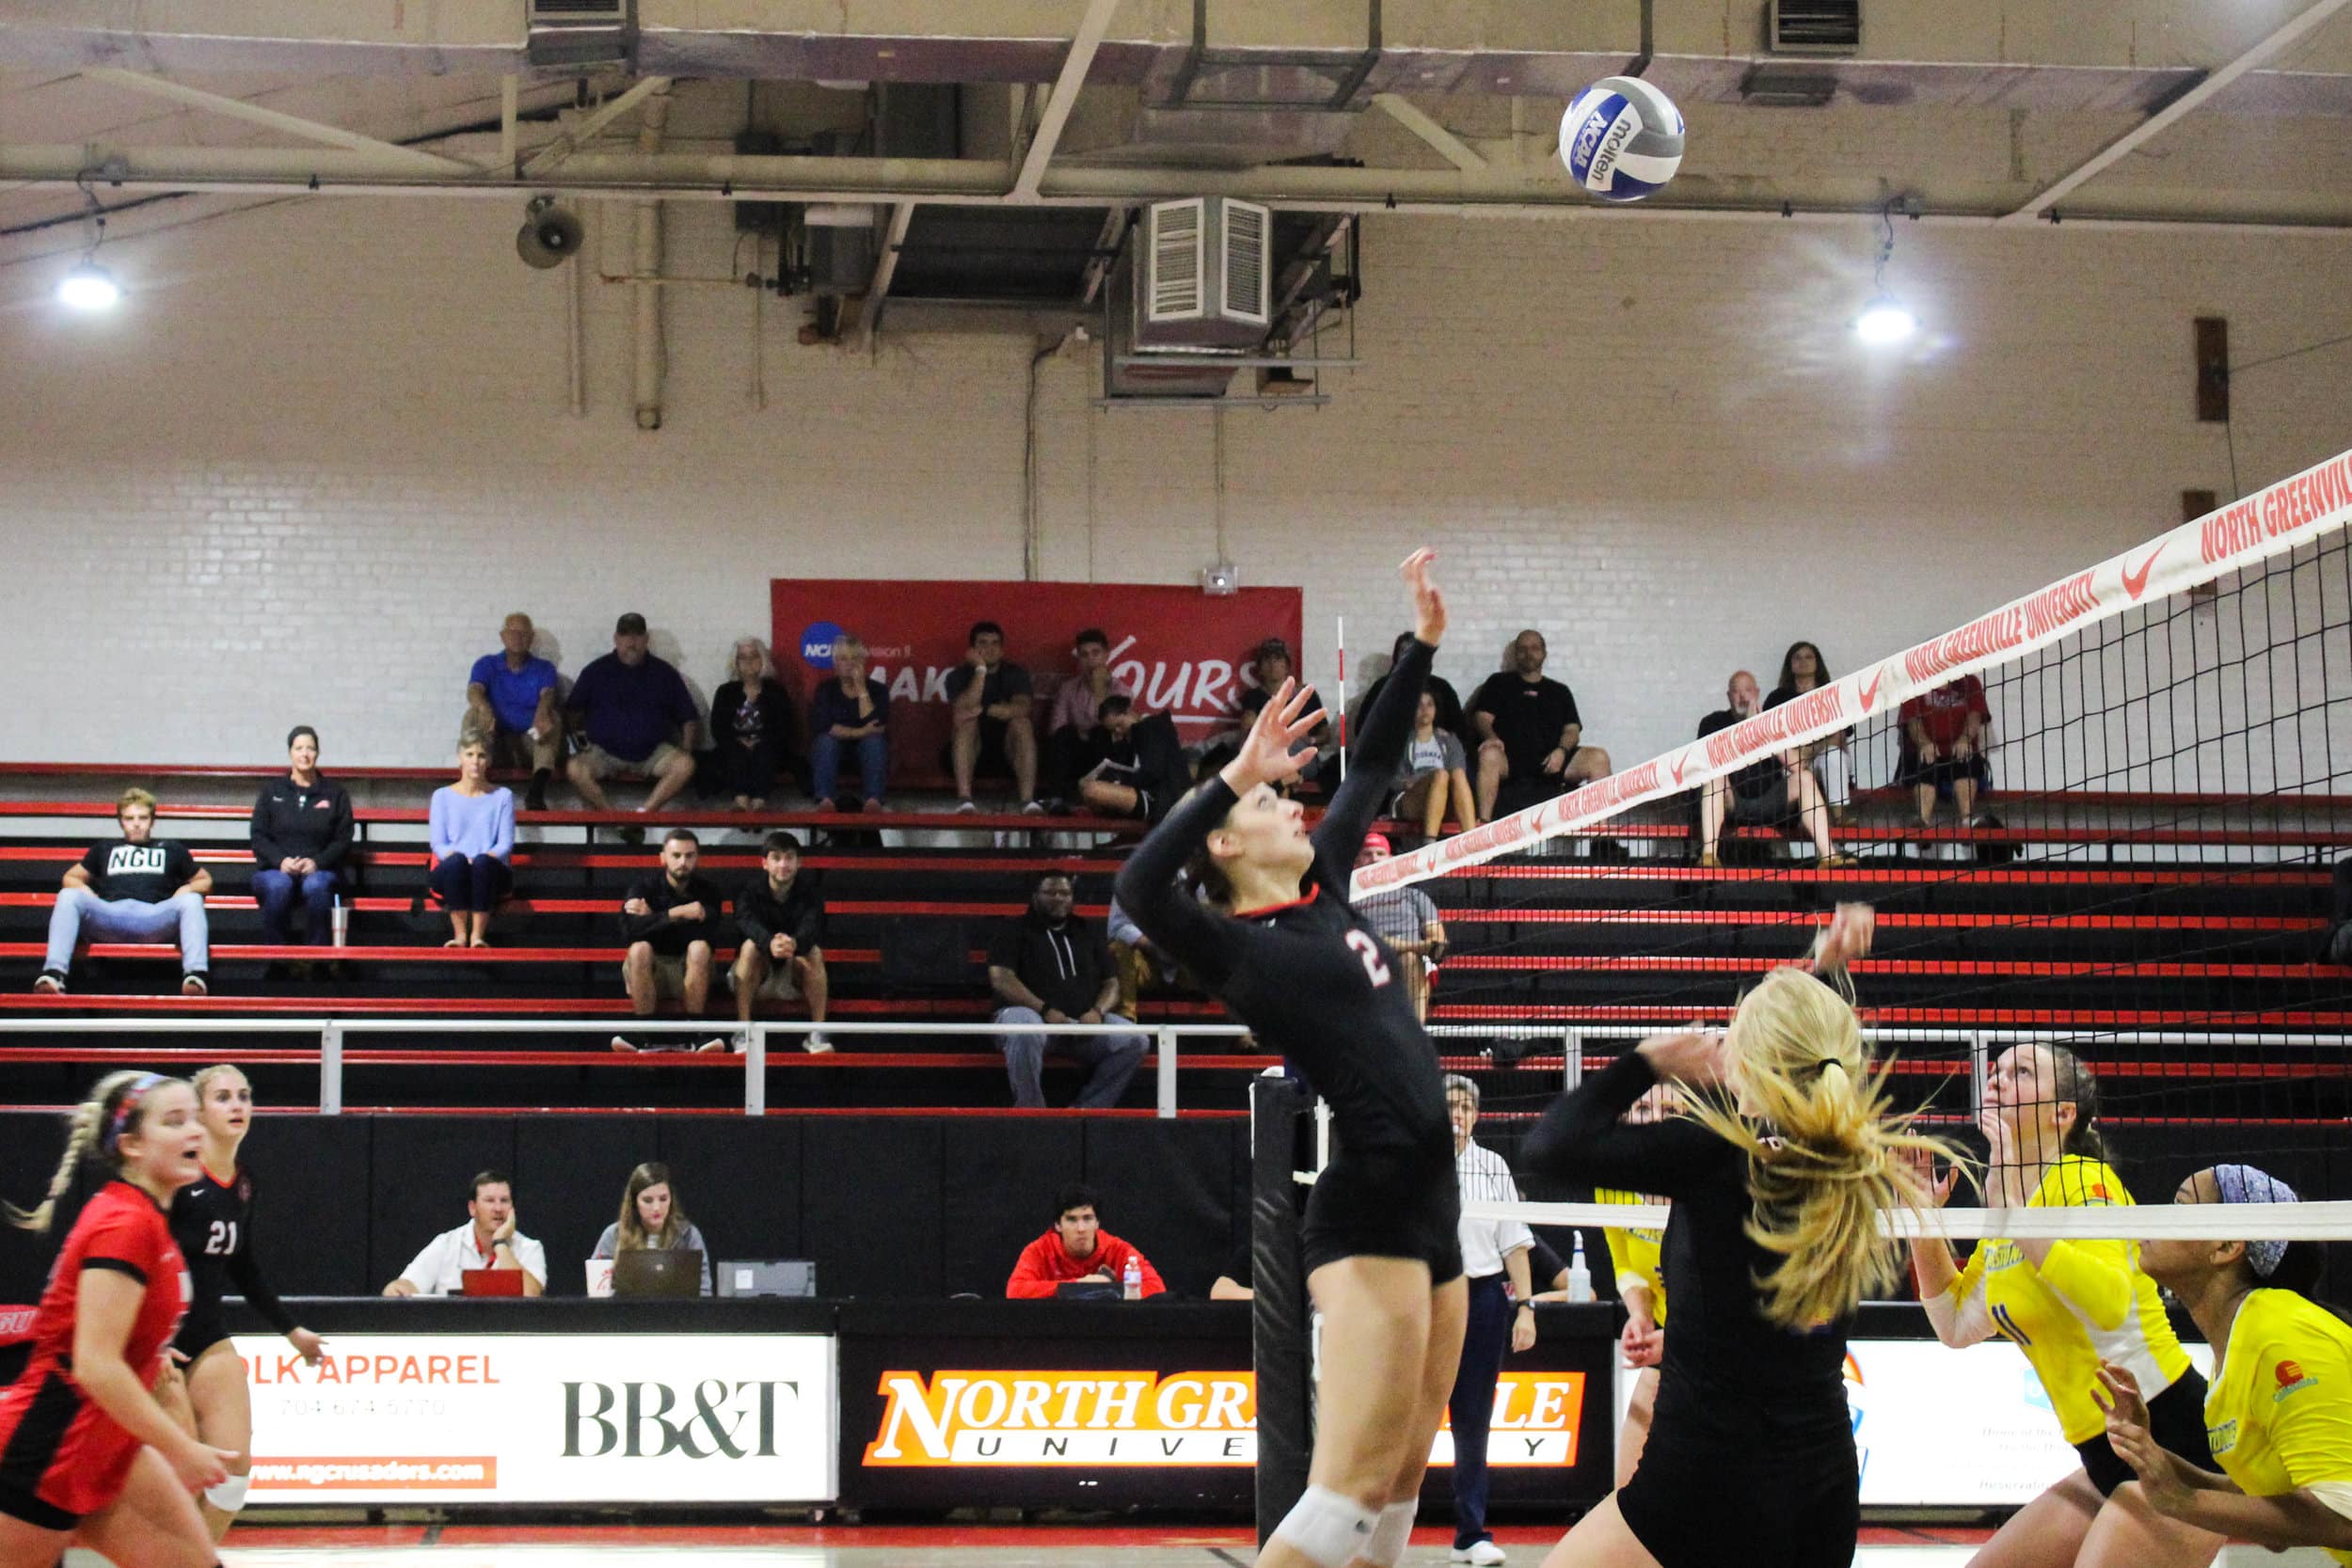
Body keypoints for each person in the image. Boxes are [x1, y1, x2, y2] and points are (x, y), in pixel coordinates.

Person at [1115, 549, 1467, 1568]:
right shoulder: (1244, 949)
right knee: (1346, 1492)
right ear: (1224, 846)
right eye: (1270, 806)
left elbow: (1369, 767)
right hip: (1366, 1214)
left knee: (1400, 1487)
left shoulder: (1324, 891)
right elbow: (1142, 890)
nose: (1293, 805)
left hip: (1434, 1201)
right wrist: (1230, 772)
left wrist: (1422, 647)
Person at [1518, 907, 1950, 1568]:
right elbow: (1815, 1053)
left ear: (1747, 1058)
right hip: (1822, 1489)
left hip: (1708, 1479)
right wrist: (1821, 972)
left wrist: (1648, 1062)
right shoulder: (1850, 1154)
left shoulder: (1712, 1154)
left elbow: (1549, 1145)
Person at [1907, 1044, 2223, 1568]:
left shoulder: (2084, 1180)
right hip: (2104, 1454)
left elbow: (2107, 1302)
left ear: (2063, 1113)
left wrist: (2014, 1210)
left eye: (2022, 1072)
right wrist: (1920, 1220)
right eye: (1997, 1071)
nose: (1998, 1079)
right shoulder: (2006, 1205)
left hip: (2174, 1440)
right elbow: (1956, 1324)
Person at [0, 1072, 230, 1568]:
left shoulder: (145, 1218)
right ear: (131, 1145)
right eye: (174, 1121)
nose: (194, 1130)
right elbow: (96, 1365)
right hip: (50, 1447)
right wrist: (183, 1448)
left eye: (194, 1117)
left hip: (107, 1441)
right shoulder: (124, 1224)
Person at [2104, 1164, 2352, 1560]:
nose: (2159, 1217)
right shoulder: (2234, 1349)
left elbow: (2344, 1520)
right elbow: (2270, 1517)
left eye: (2180, 1207)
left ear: (2226, 1246)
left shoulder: (2282, 1334)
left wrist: (2182, 1501)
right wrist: (2152, 1456)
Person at [159, 1065, 325, 1542]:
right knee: (180, 1479)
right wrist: (149, 1340)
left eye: (245, 1096)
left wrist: (291, 1330)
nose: (237, 1106)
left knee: (230, 1479)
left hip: (207, 1334)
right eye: (224, 1097)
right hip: (158, 1341)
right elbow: (141, 1259)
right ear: (199, 1111)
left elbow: (243, 1264)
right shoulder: (176, 1176)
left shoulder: (244, 1182)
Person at [1444, 1074, 1536, 1567]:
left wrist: (1526, 1306)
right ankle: (1379, 1525)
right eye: (1448, 1107)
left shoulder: (1493, 1166)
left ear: (1476, 1115)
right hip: (1430, 1296)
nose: (1456, 1115)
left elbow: (1515, 1242)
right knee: (1408, 1416)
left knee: (1473, 1420)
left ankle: (1470, 1536)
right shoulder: (1419, 1166)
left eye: (1463, 1107)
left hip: (1482, 1297)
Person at [988, 871, 1148, 1109]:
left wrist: (1097, 1012)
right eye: (1050, 893)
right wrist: (1045, 1010)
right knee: (1023, 1026)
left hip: (1080, 1024)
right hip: (1034, 1020)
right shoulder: (1014, 929)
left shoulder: (1087, 932)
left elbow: (1112, 983)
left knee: (1136, 1040)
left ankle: (1086, 1111)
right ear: (1035, 896)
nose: (1058, 898)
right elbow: (1001, 978)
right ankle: (1031, 1110)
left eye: (1065, 893)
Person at [35, 787, 210, 997]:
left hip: (153, 918)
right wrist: (86, 891)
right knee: (68, 895)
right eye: (129, 818)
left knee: (192, 900)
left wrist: (187, 888)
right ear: (120, 821)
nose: (136, 824)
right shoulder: (104, 848)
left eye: (143, 818)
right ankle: (54, 974)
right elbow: (70, 878)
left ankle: (195, 975)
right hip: (110, 916)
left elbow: (205, 880)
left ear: (153, 820)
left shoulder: (172, 849)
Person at [1598, 1085, 1677, 1490]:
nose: (1655, 1116)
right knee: (1626, 1490)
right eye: (1643, 1107)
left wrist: (1676, 1340)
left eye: (1669, 1107)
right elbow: (1623, 1261)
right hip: (1666, 1344)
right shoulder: (1613, 1184)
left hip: (1717, 1352)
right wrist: (1639, 1313)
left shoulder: (1708, 1184)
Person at [1694, 671, 1851, 870]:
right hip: (1733, 800)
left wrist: (1761, 729)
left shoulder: (1772, 723)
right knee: (1714, 777)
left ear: (1757, 693)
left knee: (1804, 778)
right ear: (1728, 696)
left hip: (1771, 800)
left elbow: (1796, 765)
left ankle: (1829, 855)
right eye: (1736, 691)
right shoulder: (1713, 722)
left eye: (1748, 690)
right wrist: (1746, 732)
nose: (1742, 696)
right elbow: (1707, 763)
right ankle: (1709, 855)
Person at [564, 612, 701, 819]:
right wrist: (582, 743)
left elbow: (689, 718)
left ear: (646, 639)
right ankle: (615, 819)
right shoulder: (596, 671)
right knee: (575, 768)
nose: (631, 642)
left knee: (685, 765)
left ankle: (642, 816)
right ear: (616, 639)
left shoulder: (664, 673)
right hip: (603, 753)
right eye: (625, 635)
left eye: (637, 635)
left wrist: (687, 749)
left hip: (652, 753)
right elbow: (572, 711)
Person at [1467, 630, 1610, 823]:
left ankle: (1603, 839)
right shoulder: (1498, 683)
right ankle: (1482, 825)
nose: (1529, 653)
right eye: (1522, 649)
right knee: (1488, 754)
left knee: (1598, 758)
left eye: (1534, 648)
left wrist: (1561, 751)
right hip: (1509, 761)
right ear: (1515, 654)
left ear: (1544, 653)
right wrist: (1491, 738)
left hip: (1551, 763)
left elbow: (1572, 730)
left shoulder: (1559, 691)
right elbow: (1481, 718)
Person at [247, 725, 353, 959]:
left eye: (311, 749)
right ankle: (276, 957)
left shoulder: (335, 794)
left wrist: (317, 862)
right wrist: (281, 861)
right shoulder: (271, 792)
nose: (305, 754)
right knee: (278, 886)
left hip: (322, 870)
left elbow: (343, 839)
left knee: (316, 886)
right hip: (276, 870)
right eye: (299, 748)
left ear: (318, 753)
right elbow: (258, 835)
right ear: (290, 753)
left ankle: (316, 959)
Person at [729, 831, 832, 1053]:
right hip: (758, 973)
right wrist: (769, 943)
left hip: (793, 973)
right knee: (748, 947)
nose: (783, 864)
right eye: (776, 858)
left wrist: (794, 944)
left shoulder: (811, 893)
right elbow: (745, 921)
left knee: (812, 952)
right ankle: (742, 1031)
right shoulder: (748, 891)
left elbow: (813, 926)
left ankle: (817, 1033)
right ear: (765, 863)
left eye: (789, 858)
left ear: (799, 863)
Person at [616, 829, 723, 1030]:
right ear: (663, 858)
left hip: (689, 969)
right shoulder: (642, 888)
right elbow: (629, 931)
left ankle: (695, 1032)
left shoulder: (709, 891)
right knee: (639, 949)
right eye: (676, 855)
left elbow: (707, 934)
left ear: (697, 858)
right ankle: (644, 1034)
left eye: (689, 855)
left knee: (699, 948)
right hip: (651, 970)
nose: (683, 862)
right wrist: (677, 913)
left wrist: (653, 919)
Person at [382, 1170, 545, 1296]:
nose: (498, 1209)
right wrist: (397, 1288)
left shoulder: (530, 1248)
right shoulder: (446, 1244)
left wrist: (500, 1244)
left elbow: (531, 1296)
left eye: (504, 1201)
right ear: (472, 1208)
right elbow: (409, 1284)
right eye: (489, 1200)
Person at [465, 611, 563, 811]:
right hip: (495, 742)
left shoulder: (543, 668)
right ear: (503, 636)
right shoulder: (487, 664)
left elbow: (548, 694)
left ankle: (536, 793)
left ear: (532, 638)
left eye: (524, 633)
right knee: (471, 715)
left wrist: (542, 711)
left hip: (530, 742)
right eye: (513, 632)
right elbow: (474, 690)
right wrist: (484, 708)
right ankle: (473, 782)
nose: (518, 637)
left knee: (553, 717)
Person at [428, 734, 516, 949]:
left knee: (482, 865)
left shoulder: (503, 796)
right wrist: (464, 860)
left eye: (481, 755)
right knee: (457, 862)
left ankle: (477, 936)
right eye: (470, 754)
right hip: (452, 868)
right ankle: (459, 936)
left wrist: (478, 861)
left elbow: (505, 844)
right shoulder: (441, 796)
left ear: (489, 761)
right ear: (460, 758)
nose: (475, 761)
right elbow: (438, 844)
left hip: (490, 869)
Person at [1005, 1184, 1166, 1298]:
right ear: (1058, 1225)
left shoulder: (1118, 1249)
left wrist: (1107, 1290)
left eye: (1087, 1218)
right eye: (1072, 1220)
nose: (1081, 1228)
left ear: (1097, 1223)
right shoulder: (1039, 1251)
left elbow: (1156, 1288)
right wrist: (1080, 1285)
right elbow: (1015, 1291)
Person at [1349, 834, 1446, 1024]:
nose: (1375, 859)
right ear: (1357, 862)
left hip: (1407, 962)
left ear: (1391, 860)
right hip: (1363, 959)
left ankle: (1414, 1035)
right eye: (1368, 854)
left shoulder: (1414, 896)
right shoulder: (1347, 898)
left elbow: (1438, 942)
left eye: (1380, 853)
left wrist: (1398, 946)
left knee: (1410, 958)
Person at [945, 621, 1040, 813]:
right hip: (968, 754)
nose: (990, 648)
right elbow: (965, 710)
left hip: (1008, 755)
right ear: (972, 649)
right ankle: (965, 800)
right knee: (967, 724)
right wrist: (980, 669)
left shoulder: (1015, 673)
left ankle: (1027, 802)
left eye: (995, 643)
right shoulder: (958, 675)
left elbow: (1022, 709)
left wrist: (984, 709)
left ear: (1002, 649)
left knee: (1022, 724)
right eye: (983, 643)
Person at [1765, 641, 1855, 824]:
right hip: (1791, 762)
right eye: (1797, 657)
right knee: (1790, 770)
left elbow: (1839, 735)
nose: (1803, 661)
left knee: (1833, 756)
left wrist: (1809, 751)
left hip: (1825, 758)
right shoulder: (1777, 698)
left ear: (1817, 663)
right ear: (1790, 665)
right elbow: (1769, 737)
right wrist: (1795, 757)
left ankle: (1840, 816)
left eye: (1809, 657)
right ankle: (1790, 818)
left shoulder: (1831, 693)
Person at [592, 1162, 713, 1296]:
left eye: (663, 1199)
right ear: (634, 1202)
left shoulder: (688, 1235)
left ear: (671, 1199)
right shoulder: (613, 1235)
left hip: (677, 1314)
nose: (656, 1208)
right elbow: (598, 1290)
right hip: (626, 1314)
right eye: (648, 1200)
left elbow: (704, 1292)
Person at [1899, 673, 1992, 834]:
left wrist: (1965, 739)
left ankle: (1967, 819)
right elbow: (1913, 722)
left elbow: (1975, 716)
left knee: (1966, 759)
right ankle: (1922, 820)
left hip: (1958, 752)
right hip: (1928, 752)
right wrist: (1925, 743)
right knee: (1924, 761)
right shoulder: (1915, 681)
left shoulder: (1969, 682)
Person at [709, 637, 794, 813]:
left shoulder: (775, 690)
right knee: (735, 750)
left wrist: (757, 741)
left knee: (765, 749)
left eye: (754, 656)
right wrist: (740, 741)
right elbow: (718, 728)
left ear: (763, 660)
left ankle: (759, 803)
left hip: (768, 747)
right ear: (736, 662)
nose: (748, 662)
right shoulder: (726, 692)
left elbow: (785, 727)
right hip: (733, 748)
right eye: (743, 657)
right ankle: (740, 802)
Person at [1045, 627, 1133, 799]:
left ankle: (1104, 794)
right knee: (1065, 734)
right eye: (1084, 655)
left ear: (1106, 655)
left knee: (1101, 733)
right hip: (1077, 755)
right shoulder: (1068, 689)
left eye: (1095, 653)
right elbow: (1056, 729)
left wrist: (1099, 686)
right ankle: (1055, 799)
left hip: (1107, 755)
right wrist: (1082, 733)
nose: (1090, 659)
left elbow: (1114, 728)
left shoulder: (1122, 691)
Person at [1074, 696, 1189, 823]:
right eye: (1113, 730)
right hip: (1141, 792)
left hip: (1161, 797)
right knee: (1084, 785)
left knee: (1093, 790)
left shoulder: (1152, 727)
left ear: (1128, 712)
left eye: (1119, 725)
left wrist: (1121, 782)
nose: (1118, 731)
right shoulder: (1129, 739)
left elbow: (1153, 771)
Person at [809, 632, 890, 814]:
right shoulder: (826, 690)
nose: (849, 664)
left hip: (866, 754)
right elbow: (826, 728)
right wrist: (862, 732)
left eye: (855, 658)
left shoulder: (878, 690)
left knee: (874, 742)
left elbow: (876, 726)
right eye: (843, 659)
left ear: (863, 661)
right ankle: (825, 800)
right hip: (834, 753)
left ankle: (873, 800)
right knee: (825, 742)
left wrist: (861, 689)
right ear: (835, 663)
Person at [1236, 637, 1329, 790]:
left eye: (1278, 659)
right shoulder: (1254, 696)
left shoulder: (1306, 694)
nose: (1273, 665)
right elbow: (1248, 730)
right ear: (1259, 668)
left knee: (1292, 742)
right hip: (1268, 755)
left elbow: (1326, 735)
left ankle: (1286, 777)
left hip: (1300, 755)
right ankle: (1285, 778)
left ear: (1286, 665)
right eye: (1267, 660)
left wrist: (1310, 739)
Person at [1358, 629, 1467, 753]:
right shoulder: (1382, 687)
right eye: (1405, 652)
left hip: (1435, 754)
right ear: (1397, 658)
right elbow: (1362, 728)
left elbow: (1460, 731)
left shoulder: (1442, 688)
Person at [1395, 690, 1477, 841]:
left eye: (1429, 704)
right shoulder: (1401, 741)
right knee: (1440, 774)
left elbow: (1459, 771)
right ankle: (1429, 842)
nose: (1425, 709)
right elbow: (1393, 778)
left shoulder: (1449, 740)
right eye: (1419, 705)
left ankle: (1471, 841)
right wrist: (1408, 782)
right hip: (1413, 798)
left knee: (1454, 774)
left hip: (1444, 797)